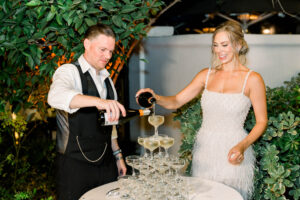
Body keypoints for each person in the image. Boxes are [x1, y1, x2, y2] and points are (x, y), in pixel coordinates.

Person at [136, 21, 267, 199]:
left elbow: (261, 122)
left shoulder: (253, 79)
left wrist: (242, 146)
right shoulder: (205, 75)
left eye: (224, 45)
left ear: (238, 45)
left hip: (234, 151)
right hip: (204, 151)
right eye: (215, 45)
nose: (219, 50)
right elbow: (175, 101)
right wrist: (155, 96)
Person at [48, 24, 127, 200]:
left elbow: (110, 125)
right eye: (103, 49)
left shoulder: (107, 80)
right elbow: (55, 96)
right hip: (75, 166)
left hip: (106, 164)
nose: (107, 56)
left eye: (111, 51)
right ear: (86, 44)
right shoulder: (69, 71)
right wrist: (99, 102)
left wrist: (118, 156)